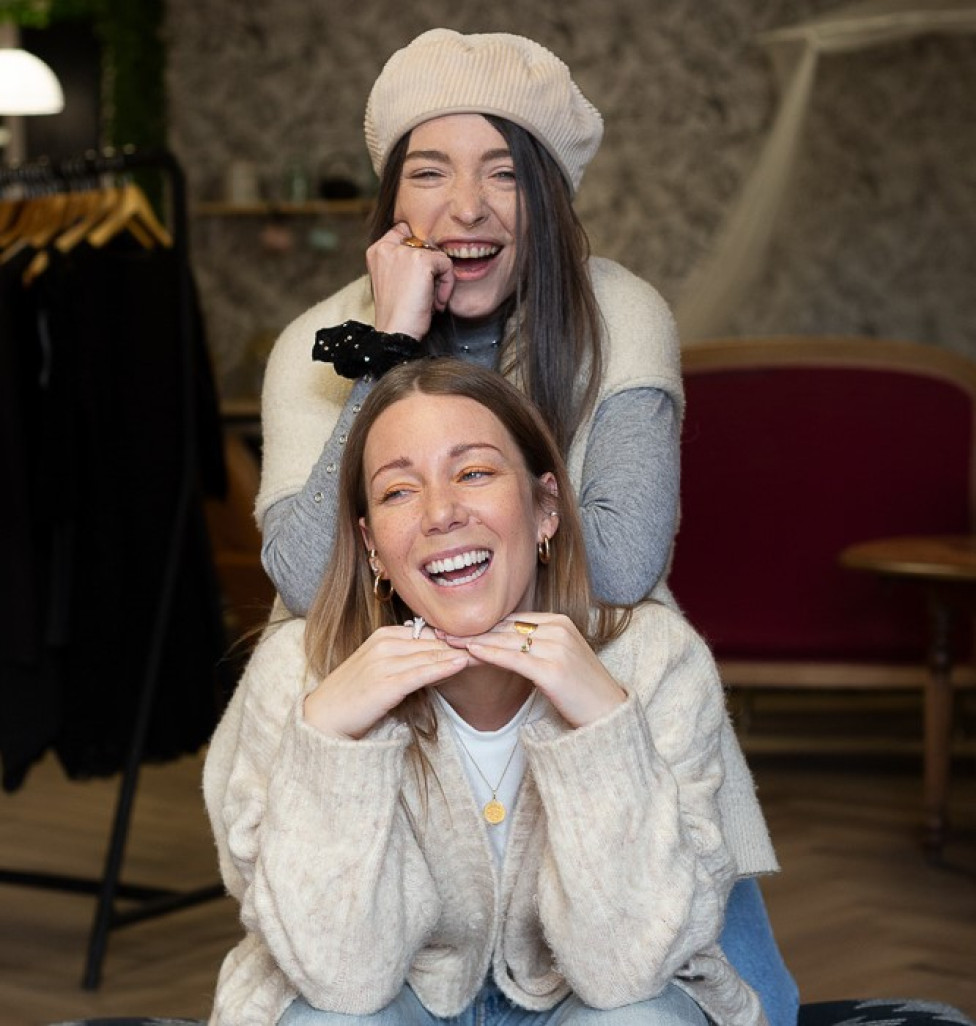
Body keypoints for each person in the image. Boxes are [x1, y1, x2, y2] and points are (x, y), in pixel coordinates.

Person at [253, 29, 798, 1026]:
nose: (465, 206)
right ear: (391, 203)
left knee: (724, 998)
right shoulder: (316, 343)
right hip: (406, 748)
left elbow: (624, 560)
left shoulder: (618, 311)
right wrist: (387, 349)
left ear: (545, 199)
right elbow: (302, 576)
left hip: (604, 703)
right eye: (429, 171)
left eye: (504, 172)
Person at [205, 358, 774, 1026]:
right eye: (397, 492)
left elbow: (628, 968)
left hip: (588, 994)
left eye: (474, 473)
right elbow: (342, 979)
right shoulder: (296, 675)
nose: (441, 513)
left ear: (545, 509)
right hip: (388, 993)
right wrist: (332, 740)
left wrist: (603, 722)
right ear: (373, 549)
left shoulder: (656, 661)